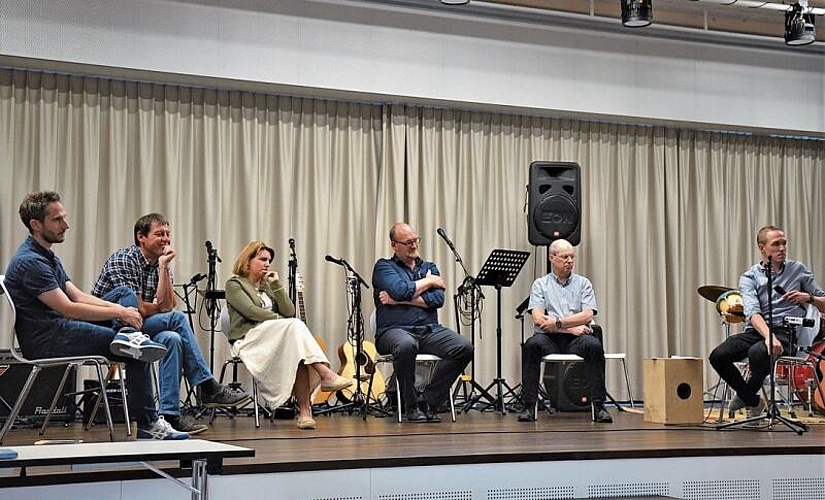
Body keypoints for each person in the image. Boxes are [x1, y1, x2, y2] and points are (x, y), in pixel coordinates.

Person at [4, 191, 189, 440]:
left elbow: (79, 296)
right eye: (57, 220)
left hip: (62, 328)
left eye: (64, 218)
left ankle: (130, 336)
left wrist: (120, 311)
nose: (66, 225)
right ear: (36, 225)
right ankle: (148, 425)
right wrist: (120, 311)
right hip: (48, 339)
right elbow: (67, 308)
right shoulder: (30, 262)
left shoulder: (47, 256)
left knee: (124, 295)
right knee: (135, 352)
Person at [92, 213, 249, 435]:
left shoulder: (160, 263)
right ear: (141, 237)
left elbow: (166, 305)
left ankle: (170, 416)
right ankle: (207, 385)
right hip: (112, 328)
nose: (166, 239)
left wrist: (164, 268)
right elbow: (136, 309)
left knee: (172, 338)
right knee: (177, 319)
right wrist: (155, 307)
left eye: (168, 234)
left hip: (140, 327)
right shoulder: (124, 259)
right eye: (159, 234)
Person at [225, 240, 352, 429]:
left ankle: (304, 412)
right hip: (249, 339)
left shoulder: (267, 286)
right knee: (294, 327)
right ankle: (326, 374)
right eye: (262, 259)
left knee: (299, 353)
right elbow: (251, 311)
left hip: (273, 337)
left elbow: (289, 310)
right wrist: (278, 319)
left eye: (269, 260)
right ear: (247, 261)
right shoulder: (234, 284)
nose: (267, 264)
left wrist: (276, 285)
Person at [709, 225, 825, 424]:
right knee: (718, 356)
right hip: (758, 328)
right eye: (776, 244)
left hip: (786, 331)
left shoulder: (798, 270)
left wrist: (809, 297)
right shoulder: (749, 277)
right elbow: (752, 312)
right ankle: (753, 400)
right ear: (763, 248)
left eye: (784, 244)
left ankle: (747, 397)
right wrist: (768, 336)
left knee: (758, 352)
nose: (782, 248)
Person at [372, 223, 474, 423]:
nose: (413, 245)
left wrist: (399, 300)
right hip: (393, 331)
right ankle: (410, 406)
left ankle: (427, 400)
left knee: (464, 347)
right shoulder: (384, 266)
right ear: (394, 245)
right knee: (406, 345)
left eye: (415, 240)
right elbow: (400, 289)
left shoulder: (429, 267)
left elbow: (438, 300)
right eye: (408, 242)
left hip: (428, 331)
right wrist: (429, 282)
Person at [518, 239, 612, 423]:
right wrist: (570, 328)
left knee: (594, 346)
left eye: (571, 257)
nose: (569, 261)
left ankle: (599, 406)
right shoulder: (540, 284)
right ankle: (529, 406)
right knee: (531, 346)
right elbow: (538, 318)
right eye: (564, 257)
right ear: (551, 258)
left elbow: (587, 315)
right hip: (549, 338)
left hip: (576, 340)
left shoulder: (583, 283)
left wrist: (558, 323)